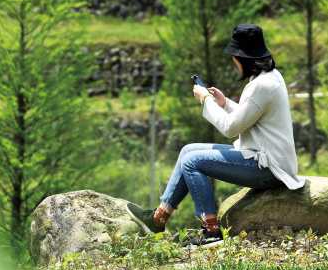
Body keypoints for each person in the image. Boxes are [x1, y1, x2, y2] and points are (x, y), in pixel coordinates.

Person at [127, 23, 305, 246]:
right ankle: (158, 218)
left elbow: (231, 128)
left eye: (234, 55)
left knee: (192, 162)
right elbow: (251, 116)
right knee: (187, 150)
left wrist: (206, 101)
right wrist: (225, 103)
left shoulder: (261, 86)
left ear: (242, 57)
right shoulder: (270, 77)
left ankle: (210, 231)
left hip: (270, 168)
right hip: (264, 157)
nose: (233, 60)